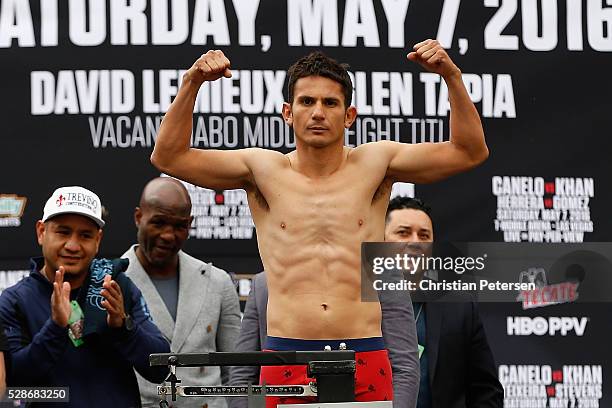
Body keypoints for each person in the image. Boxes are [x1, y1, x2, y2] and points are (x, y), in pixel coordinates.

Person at [151, 39, 488, 405]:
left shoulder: (376, 163)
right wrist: (192, 82)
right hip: (287, 355)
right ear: (287, 112)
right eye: (306, 102)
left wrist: (452, 77)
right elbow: (168, 156)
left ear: (349, 115)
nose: (318, 112)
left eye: (330, 103)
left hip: (363, 352)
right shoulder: (261, 170)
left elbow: (469, 151)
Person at [0, 186, 170, 407]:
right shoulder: (15, 301)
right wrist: (55, 327)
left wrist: (123, 328)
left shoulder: (115, 286)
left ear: (98, 241)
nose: (73, 245)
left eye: (85, 235)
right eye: (63, 232)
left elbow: (161, 368)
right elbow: (13, 386)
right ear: (41, 232)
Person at [123, 177, 241, 408]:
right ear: (139, 218)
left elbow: (235, 371)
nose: (168, 235)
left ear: (190, 224)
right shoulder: (110, 281)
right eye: (159, 222)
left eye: (179, 226)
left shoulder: (217, 282)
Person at [229, 271, 419, 408]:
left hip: (366, 392)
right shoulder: (265, 283)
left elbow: (405, 365)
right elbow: (243, 371)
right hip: (282, 392)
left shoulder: (382, 276)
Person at [384, 196, 503, 408]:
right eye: (403, 233)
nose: (415, 242)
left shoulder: (459, 306)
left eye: (424, 235)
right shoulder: (356, 302)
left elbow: (486, 389)